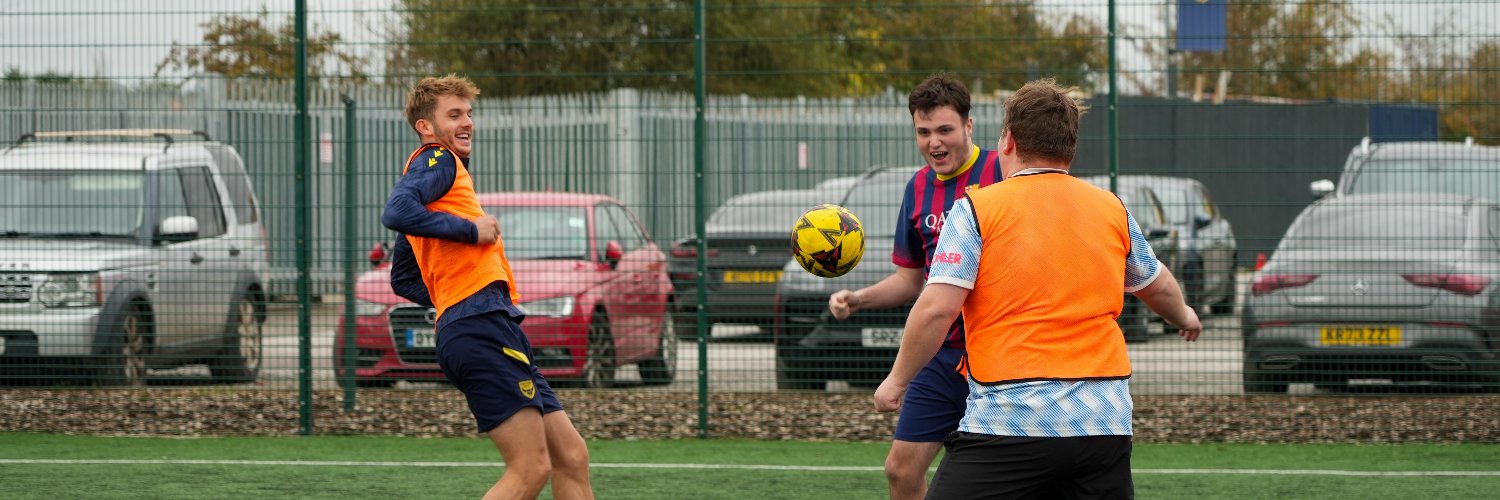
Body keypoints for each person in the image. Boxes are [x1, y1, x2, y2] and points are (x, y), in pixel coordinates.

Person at [873, 78, 1203, 499]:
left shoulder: (976, 208)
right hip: (1103, 428)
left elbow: (937, 308)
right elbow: (1157, 285)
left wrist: (897, 381)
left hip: (1011, 421)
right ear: (1070, 148)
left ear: (1007, 141)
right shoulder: (1111, 208)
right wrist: (1185, 316)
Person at [382, 74, 594, 500]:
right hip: (479, 329)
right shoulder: (436, 159)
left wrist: (459, 289)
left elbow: (403, 278)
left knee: (570, 455)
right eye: (454, 114)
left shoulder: (442, 187)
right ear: (426, 126)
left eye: (469, 113)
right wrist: (468, 231)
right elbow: (396, 210)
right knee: (531, 468)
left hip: (487, 322)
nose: (467, 122)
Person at [827, 73, 1002, 500]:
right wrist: (858, 299)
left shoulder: (1002, 170)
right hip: (939, 355)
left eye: (944, 130)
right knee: (900, 470)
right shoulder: (917, 188)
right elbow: (910, 279)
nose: (934, 143)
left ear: (968, 126)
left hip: (1000, 353)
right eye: (923, 132)